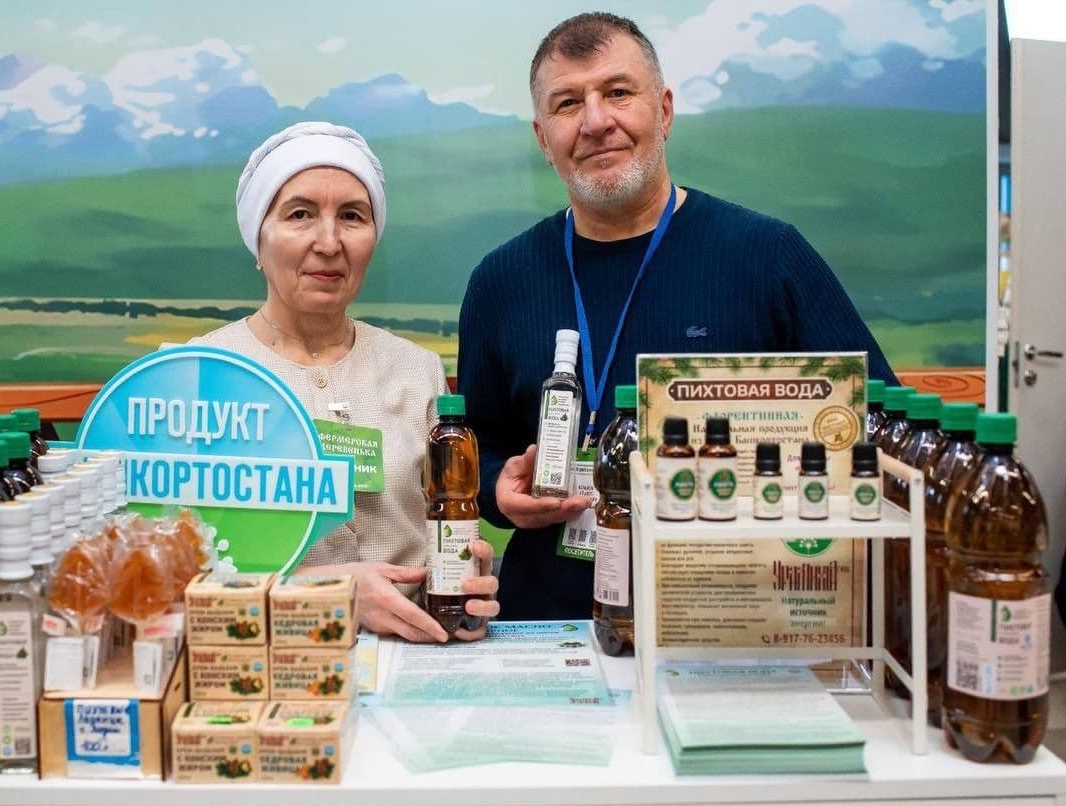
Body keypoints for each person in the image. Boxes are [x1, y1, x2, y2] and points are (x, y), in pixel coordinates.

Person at [456, 13, 898, 621]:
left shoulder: (768, 257)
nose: (595, 121)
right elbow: (479, 444)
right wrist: (499, 489)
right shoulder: (500, 282)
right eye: (567, 103)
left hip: (735, 622)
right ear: (542, 137)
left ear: (663, 111)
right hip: (549, 629)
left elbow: (877, 422)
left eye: (617, 92)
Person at [187, 121, 499, 642]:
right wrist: (325, 591)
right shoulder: (203, 371)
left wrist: (465, 580)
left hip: (416, 656)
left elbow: (442, 524)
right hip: (269, 659)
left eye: (352, 216)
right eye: (300, 214)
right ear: (257, 238)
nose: (329, 242)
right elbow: (174, 574)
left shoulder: (416, 369)